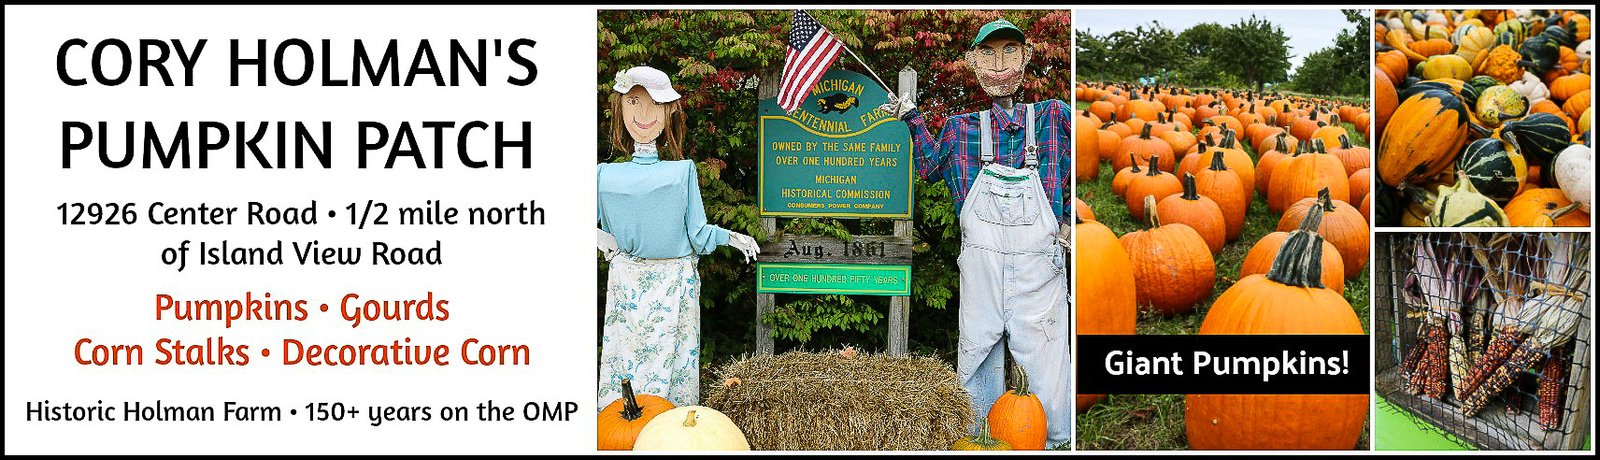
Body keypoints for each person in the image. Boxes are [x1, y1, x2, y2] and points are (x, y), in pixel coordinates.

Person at [881, 19, 1071, 446]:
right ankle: (979, 439)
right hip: (981, 263)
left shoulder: (1055, 117)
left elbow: (1084, 162)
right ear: (973, 63)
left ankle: (1054, 441)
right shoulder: (960, 128)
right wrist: (911, 118)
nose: (998, 63)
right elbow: (929, 168)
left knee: (1046, 354)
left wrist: (1071, 218)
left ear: (1025, 58)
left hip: (1039, 265)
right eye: (987, 53)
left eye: (1008, 51)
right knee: (976, 352)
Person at [595, 66, 760, 409]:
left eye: (654, 105)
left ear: (669, 113)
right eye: (634, 103)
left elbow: (698, 233)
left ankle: (671, 433)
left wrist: (731, 237)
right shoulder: (604, 175)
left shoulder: (681, 171)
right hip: (627, 282)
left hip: (675, 282)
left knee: (675, 367)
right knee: (625, 364)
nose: (643, 114)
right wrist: (597, 237)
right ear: (620, 108)